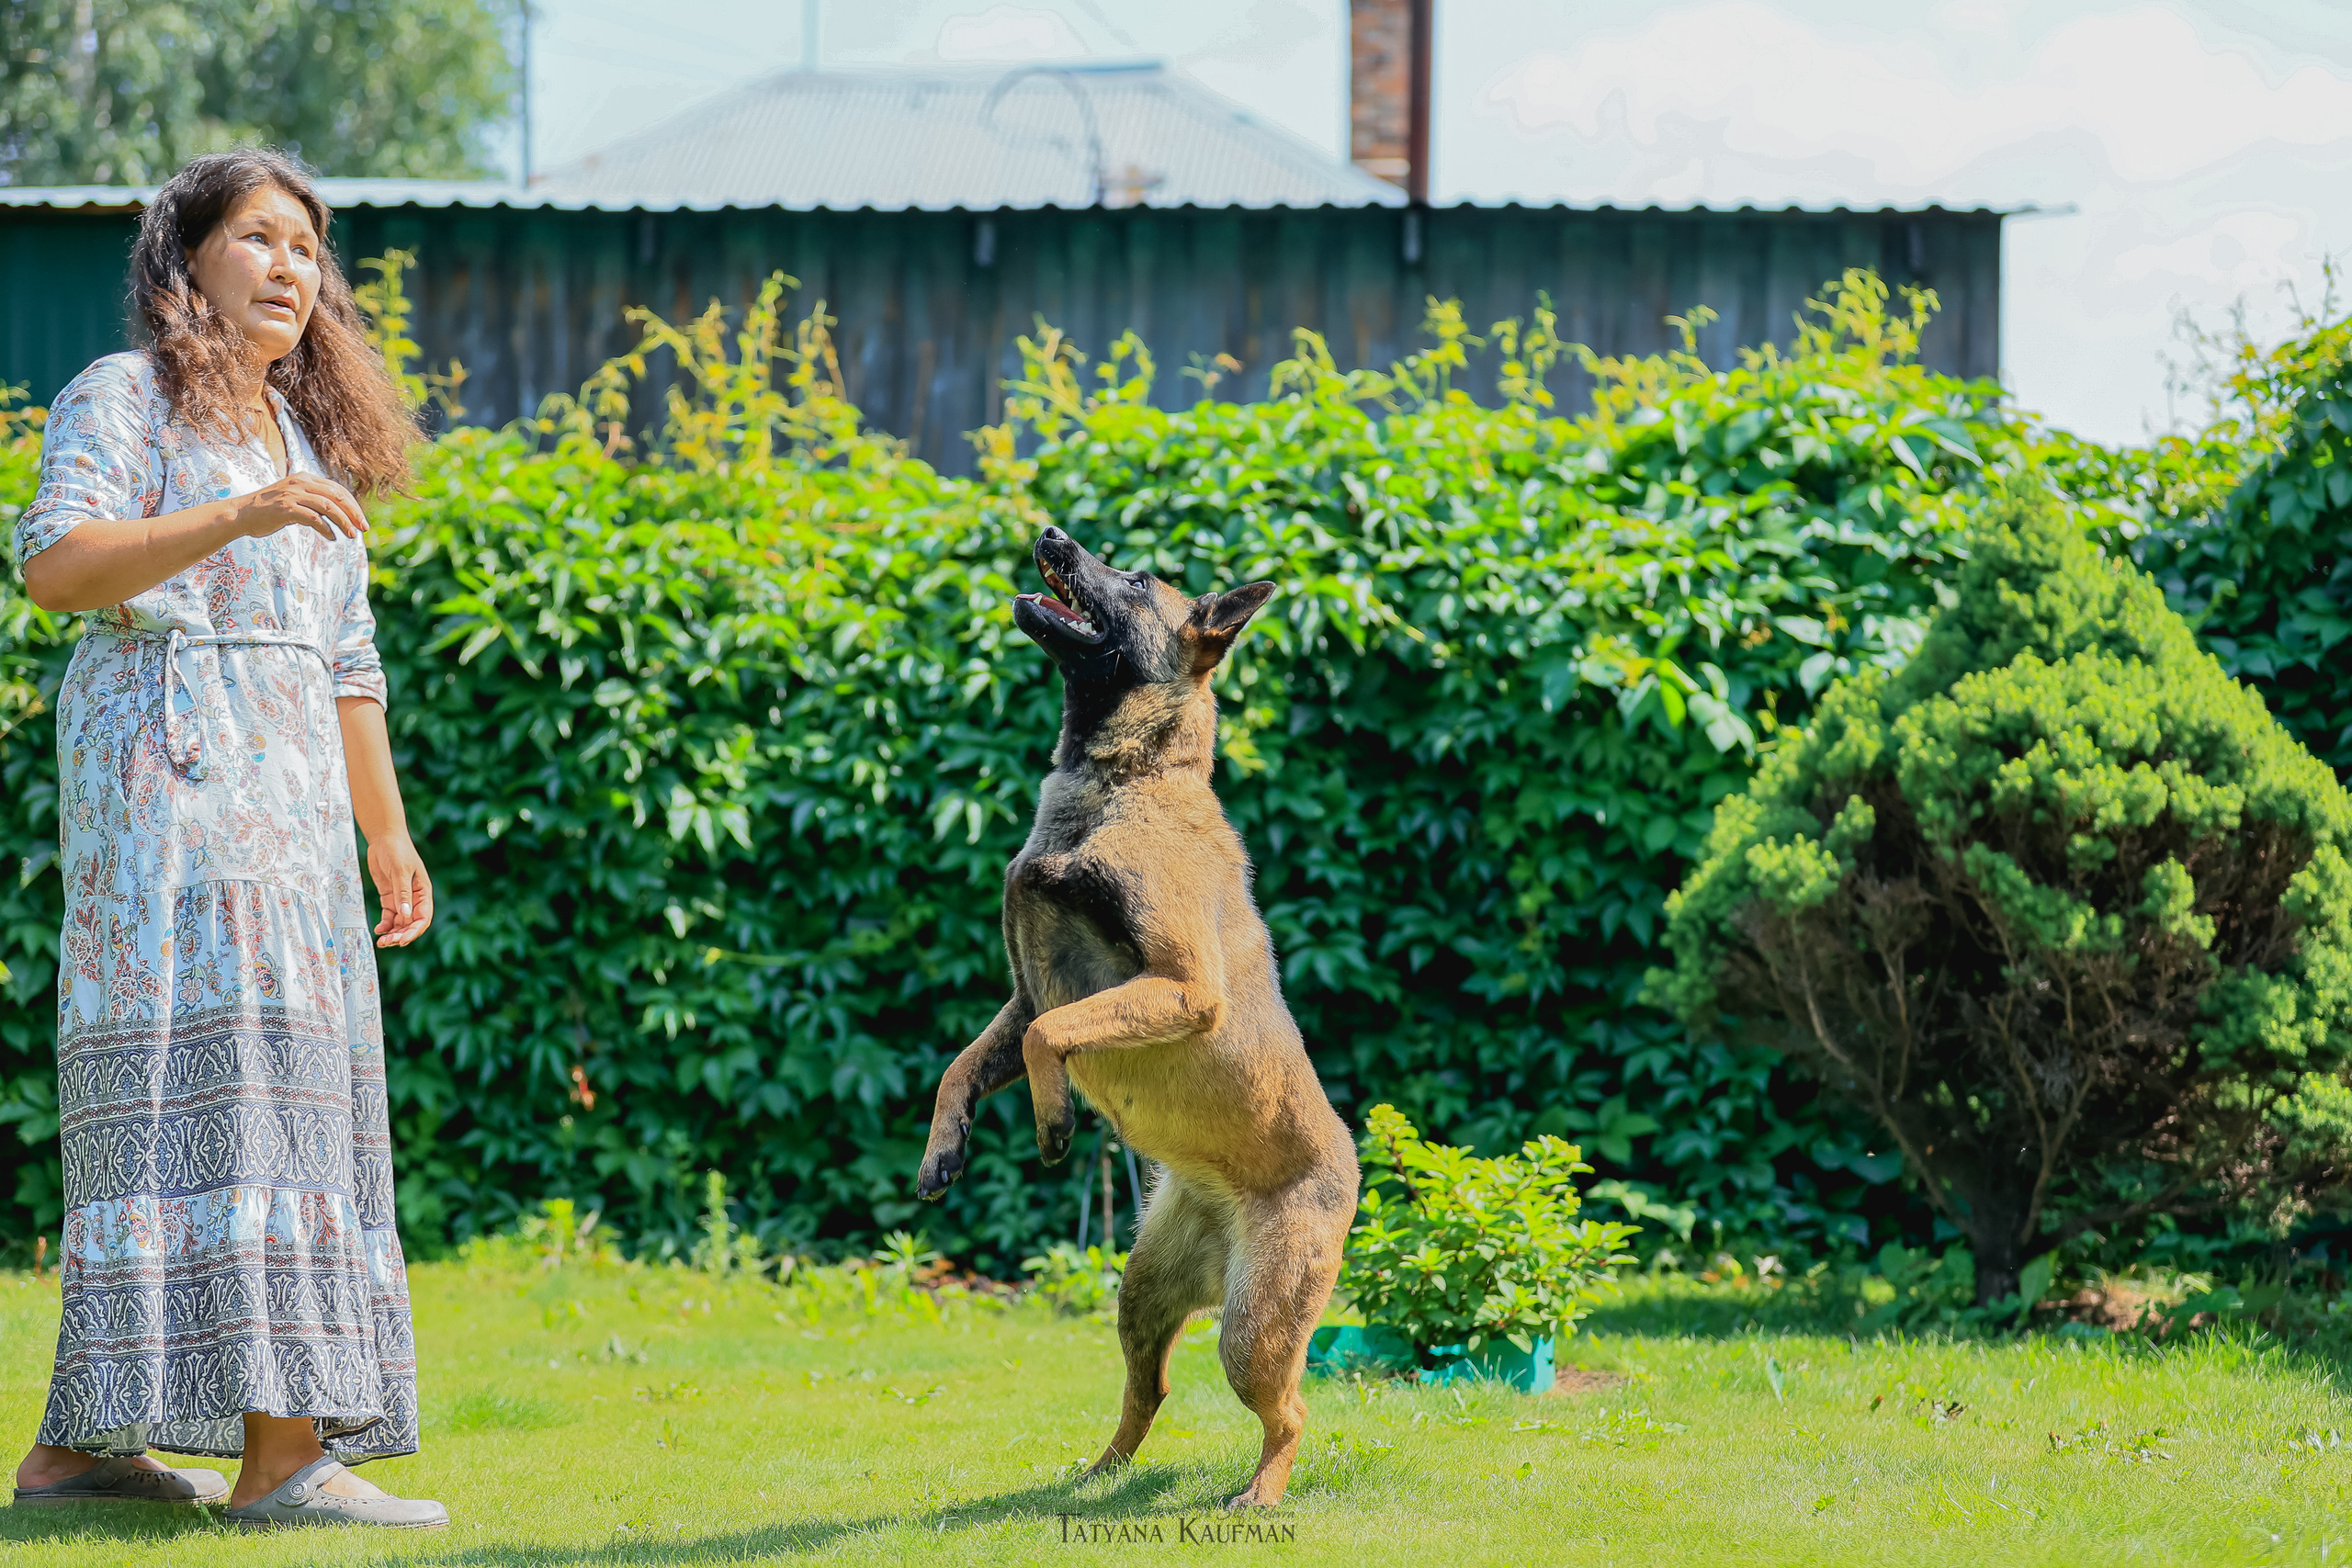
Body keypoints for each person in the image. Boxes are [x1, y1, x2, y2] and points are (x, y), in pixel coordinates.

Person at [6, 150, 445, 1530]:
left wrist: (388, 833)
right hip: (169, 799)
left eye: (307, 249)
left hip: (295, 824)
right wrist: (239, 514)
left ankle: (79, 1451)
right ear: (185, 259)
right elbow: (55, 566)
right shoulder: (123, 396)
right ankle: (281, 1461)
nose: (289, 268)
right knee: (208, 1097)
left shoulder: (306, 441)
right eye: (258, 238)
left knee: (275, 1098)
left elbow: (349, 658)